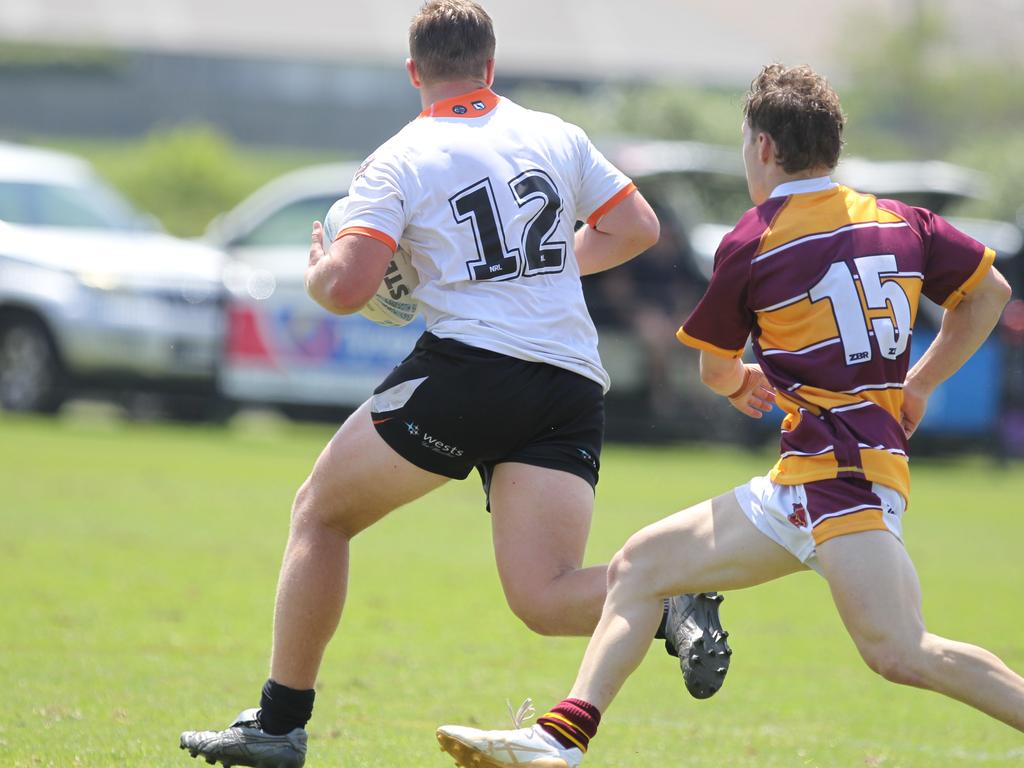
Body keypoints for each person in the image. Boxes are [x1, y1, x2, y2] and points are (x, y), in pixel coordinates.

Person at [179, 3, 730, 767]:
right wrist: (533, 270)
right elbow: (636, 228)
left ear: (415, 73)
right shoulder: (554, 134)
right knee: (544, 595)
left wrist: (317, 270)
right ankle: (667, 605)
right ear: (491, 66)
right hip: (569, 380)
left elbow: (347, 289)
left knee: (321, 514)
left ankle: (278, 725)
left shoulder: (403, 154)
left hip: (473, 371)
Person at [435, 62, 1023, 768]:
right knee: (644, 564)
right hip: (811, 476)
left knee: (901, 652)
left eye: (747, 144)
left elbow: (713, 367)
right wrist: (921, 384)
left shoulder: (755, 238)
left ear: (765, 148)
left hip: (839, 480)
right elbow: (988, 292)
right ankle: (560, 740)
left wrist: (737, 380)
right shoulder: (903, 221)